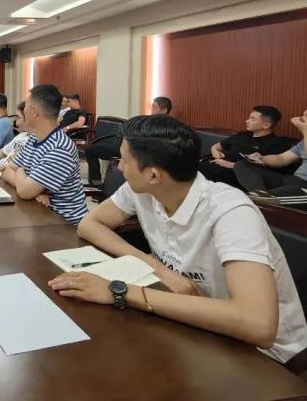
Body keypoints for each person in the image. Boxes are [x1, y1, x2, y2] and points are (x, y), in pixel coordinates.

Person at [48, 115, 307, 365]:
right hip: (197, 326)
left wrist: (119, 291)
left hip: (265, 358)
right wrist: (156, 267)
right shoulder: (144, 189)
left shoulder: (230, 212)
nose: (120, 167)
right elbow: (89, 225)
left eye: (124, 160)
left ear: (153, 175)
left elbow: (258, 325)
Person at [2, 85, 88, 224]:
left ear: (34, 111)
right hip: (39, 213)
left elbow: (24, 191)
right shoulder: (34, 138)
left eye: (26, 106)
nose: (23, 110)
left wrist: (21, 171)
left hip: (63, 224)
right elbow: (7, 171)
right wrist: (33, 189)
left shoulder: (60, 148)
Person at [85, 96, 172, 186]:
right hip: (125, 145)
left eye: (155, 107)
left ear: (164, 110)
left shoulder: (166, 126)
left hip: (138, 150)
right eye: (152, 106)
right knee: (90, 149)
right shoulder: (147, 120)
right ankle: (96, 183)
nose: (152, 109)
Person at [200, 106, 289, 189]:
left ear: (266, 125)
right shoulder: (243, 135)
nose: (247, 121)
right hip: (215, 165)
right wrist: (215, 152)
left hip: (236, 176)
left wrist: (231, 165)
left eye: (252, 119)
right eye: (249, 117)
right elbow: (216, 146)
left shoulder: (276, 144)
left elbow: (266, 173)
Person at [234, 108, 307, 196]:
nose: (302, 118)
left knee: (268, 197)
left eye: (306, 116)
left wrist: (305, 131)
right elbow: (281, 159)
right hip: (291, 180)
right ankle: (260, 194)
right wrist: (261, 158)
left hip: (304, 186)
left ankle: (262, 198)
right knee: (242, 164)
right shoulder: (303, 142)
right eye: (303, 115)